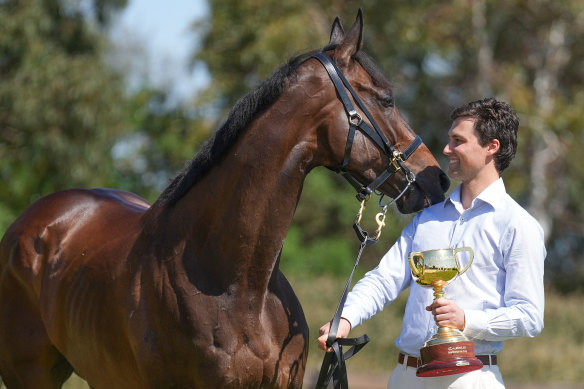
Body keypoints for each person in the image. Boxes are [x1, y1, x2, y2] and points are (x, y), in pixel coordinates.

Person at [317, 97, 546, 388]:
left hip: (470, 378)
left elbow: (529, 317)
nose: (447, 149)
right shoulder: (427, 217)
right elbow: (384, 279)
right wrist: (346, 319)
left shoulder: (519, 225)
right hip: (405, 376)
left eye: (458, 141)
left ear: (492, 147)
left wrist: (466, 320)